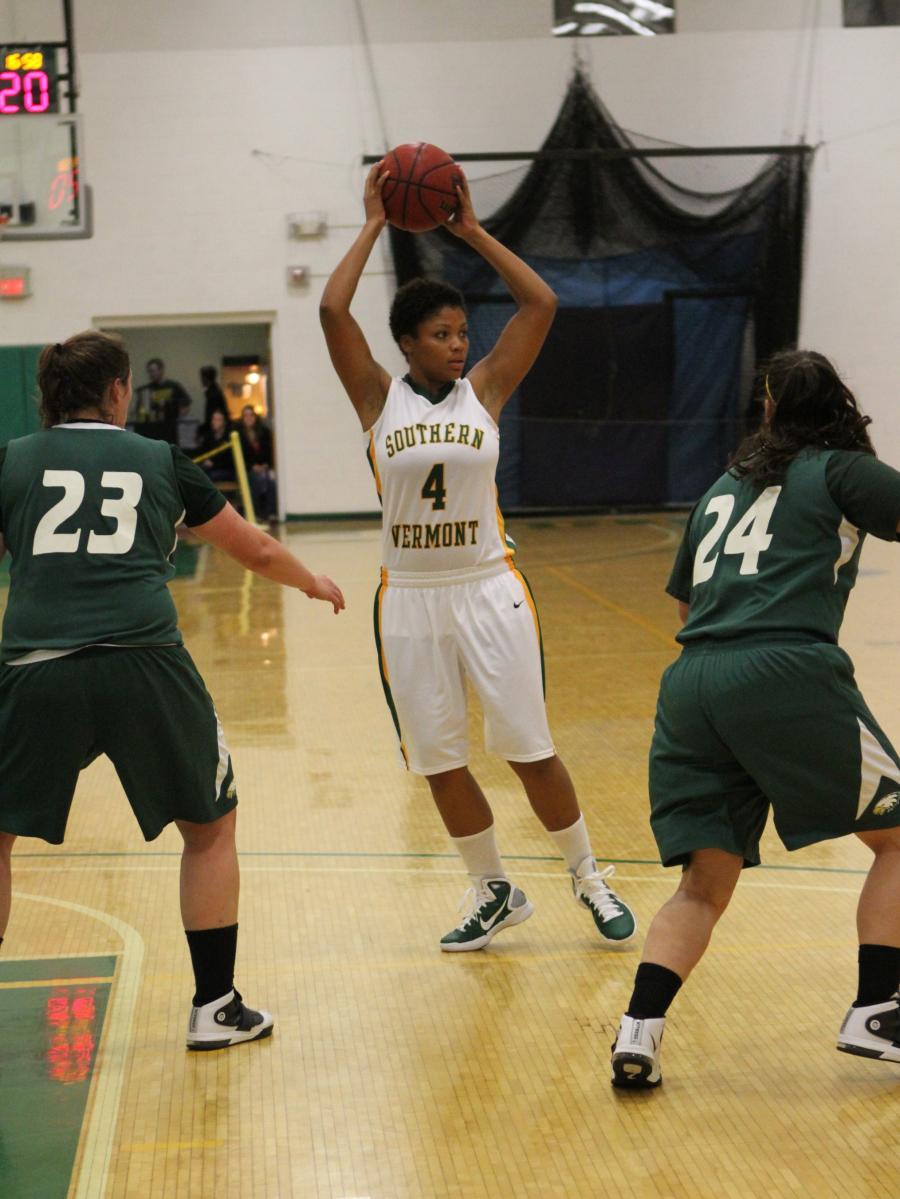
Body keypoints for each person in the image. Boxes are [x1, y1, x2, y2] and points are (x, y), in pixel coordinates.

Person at [319, 162, 635, 951]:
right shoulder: (374, 397)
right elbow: (331, 308)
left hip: (490, 587)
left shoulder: (485, 389)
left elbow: (541, 302)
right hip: (411, 599)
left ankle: (589, 876)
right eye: (441, 334)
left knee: (531, 748)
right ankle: (492, 887)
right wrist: (372, 222)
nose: (459, 346)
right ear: (406, 344)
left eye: (462, 332)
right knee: (437, 759)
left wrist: (469, 230)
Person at [0, 331, 345, 1051]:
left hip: (34, 664)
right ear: (119, 391)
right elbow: (251, 546)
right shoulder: (159, 460)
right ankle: (215, 1005)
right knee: (209, 826)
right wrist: (311, 580)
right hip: (144, 660)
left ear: (48, 396)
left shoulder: (12, 461)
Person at [611, 350, 900, 1090]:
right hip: (783, 671)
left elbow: (685, 603)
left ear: (769, 412)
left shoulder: (722, 485)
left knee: (703, 881)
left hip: (691, 685)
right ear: (841, 404)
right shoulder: (840, 468)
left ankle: (636, 1032)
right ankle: (879, 1009)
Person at [133, 357, 192, 444]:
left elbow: (186, 405)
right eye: (149, 371)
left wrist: (175, 415)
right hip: (151, 435)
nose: (151, 374)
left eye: (153, 371)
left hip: (169, 433)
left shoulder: (173, 386)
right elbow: (140, 414)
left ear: (161, 370)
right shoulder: (146, 390)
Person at [238, 405, 278, 521]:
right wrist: (252, 466)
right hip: (248, 468)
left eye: (251, 415)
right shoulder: (239, 435)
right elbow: (241, 455)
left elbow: (269, 451)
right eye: (246, 416)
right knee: (254, 480)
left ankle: (270, 512)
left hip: (264, 466)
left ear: (255, 417)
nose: (249, 418)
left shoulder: (264, 432)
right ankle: (254, 513)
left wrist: (265, 465)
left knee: (271, 480)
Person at [196, 409, 236, 486]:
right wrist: (205, 461)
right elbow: (202, 452)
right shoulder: (208, 436)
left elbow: (230, 461)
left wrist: (213, 464)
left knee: (209, 476)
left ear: (224, 422)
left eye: (218, 420)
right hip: (209, 468)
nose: (214, 422)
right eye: (213, 419)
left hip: (227, 470)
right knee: (196, 473)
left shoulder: (230, 437)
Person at [200, 365, 229, 435]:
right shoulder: (214, 391)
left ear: (207, 378)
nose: (201, 380)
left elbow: (212, 414)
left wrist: (204, 429)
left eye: (202, 377)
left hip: (216, 430)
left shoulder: (213, 394)